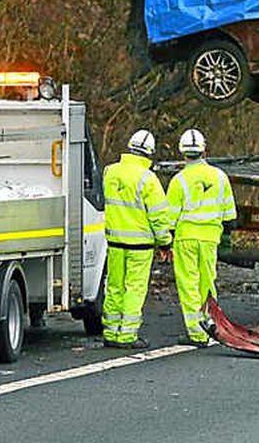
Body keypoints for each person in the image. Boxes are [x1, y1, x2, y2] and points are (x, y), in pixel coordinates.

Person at [101, 129, 172, 349]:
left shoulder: (110, 172)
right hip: (140, 246)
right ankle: (127, 336)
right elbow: (159, 216)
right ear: (149, 153)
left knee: (113, 287)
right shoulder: (148, 179)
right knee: (134, 289)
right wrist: (165, 241)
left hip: (114, 242)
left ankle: (111, 332)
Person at [165, 128, 236, 346]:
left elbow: (169, 217)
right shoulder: (220, 177)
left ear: (182, 152)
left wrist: (165, 242)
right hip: (210, 238)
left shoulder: (179, 181)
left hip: (186, 238)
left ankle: (196, 333)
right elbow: (230, 215)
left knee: (189, 284)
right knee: (207, 282)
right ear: (204, 150)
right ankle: (210, 325)